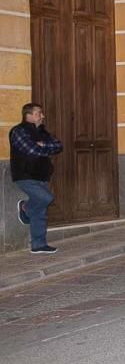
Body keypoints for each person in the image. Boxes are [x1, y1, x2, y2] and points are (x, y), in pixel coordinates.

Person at [9, 103, 62, 254]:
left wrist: (43, 144)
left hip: (42, 175)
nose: (42, 116)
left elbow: (58, 146)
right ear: (29, 115)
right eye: (39, 113)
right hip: (25, 175)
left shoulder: (43, 132)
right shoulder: (19, 131)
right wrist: (46, 149)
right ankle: (25, 208)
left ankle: (38, 245)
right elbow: (31, 150)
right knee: (46, 198)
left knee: (40, 211)